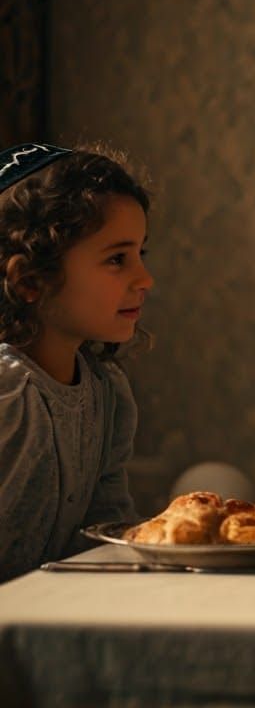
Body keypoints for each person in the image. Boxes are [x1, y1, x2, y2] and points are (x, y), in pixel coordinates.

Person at [0, 143, 154, 582]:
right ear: (30, 280)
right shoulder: (6, 395)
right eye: (117, 259)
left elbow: (104, 535)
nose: (145, 279)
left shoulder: (107, 395)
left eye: (141, 254)